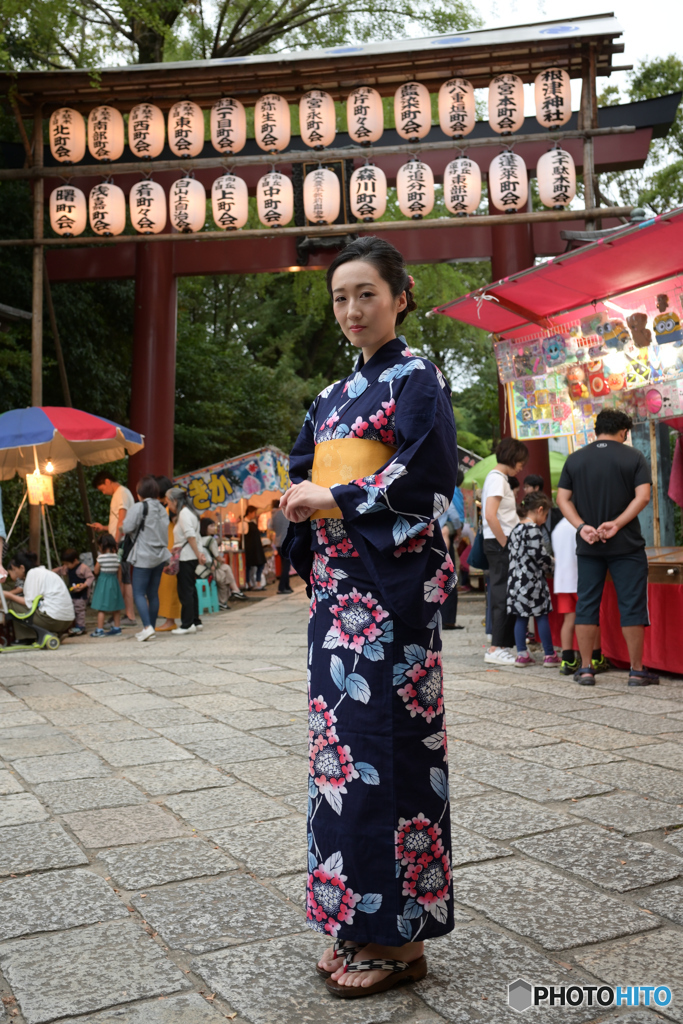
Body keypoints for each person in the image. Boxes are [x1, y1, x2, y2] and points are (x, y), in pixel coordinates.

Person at [282, 237, 457, 996]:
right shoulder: (329, 396)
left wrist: (339, 497)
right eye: (340, 299)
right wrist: (301, 495)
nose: (352, 311)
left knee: (390, 750)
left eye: (365, 295)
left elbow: (427, 470)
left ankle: (401, 945)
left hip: (389, 596)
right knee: (340, 757)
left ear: (400, 295)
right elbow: (298, 465)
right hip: (338, 593)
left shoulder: (418, 377)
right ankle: (354, 922)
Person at [557, 409, 655, 686]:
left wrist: (580, 526)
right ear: (624, 431)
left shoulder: (575, 459)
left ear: (596, 430)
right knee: (632, 604)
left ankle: (586, 669)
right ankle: (636, 671)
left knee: (587, 604)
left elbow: (563, 499)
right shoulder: (634, 456)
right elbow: (643, 496)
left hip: (588, 544)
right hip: (627, 545)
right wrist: (617, 523)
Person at [481, 437, 529, 665]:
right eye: (521, 461)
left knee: (503, 593)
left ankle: (498, 645)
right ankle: (495, 647)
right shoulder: (498, 480)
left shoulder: (496, 478)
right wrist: (506, 543)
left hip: (499, 541)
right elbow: (491, 514)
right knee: (502, 594)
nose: (522, 466)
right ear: (512, 457)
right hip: (500, 542)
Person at [506, 492, 561, 668]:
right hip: (532, 581)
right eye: (545, 515)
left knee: (521, 617)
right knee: (541, 614)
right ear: (539, 510)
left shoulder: (516, 529)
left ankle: (521, 654)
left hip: (515, 580)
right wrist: (553, 564)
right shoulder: (533, 530)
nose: (545, 519)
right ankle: (549, 654)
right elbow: (539, 556)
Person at [551, 515, 608, 676]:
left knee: (568, 620)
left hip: (562, 581)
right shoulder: (582, 526)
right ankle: (596, 657)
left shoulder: (558, 528)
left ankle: (567, 659)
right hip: (580, 579)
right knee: (591, 617)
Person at [122, 475, 171, 642]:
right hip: (159, 556)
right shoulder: (162, 509)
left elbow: (127, 527)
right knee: (153, 594)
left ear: (139, 493)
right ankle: (150, 627)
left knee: (138, 593)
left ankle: (147, 627)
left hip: (143, 556)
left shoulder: (139, 507)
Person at [89, 470, 136, 625]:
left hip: (121, 541)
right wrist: (103, 527)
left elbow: (122, 520)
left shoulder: (121, 493)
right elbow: (118, 522)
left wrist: (115, 543)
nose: (103, 493)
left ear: (107, 481)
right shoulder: (121, 493)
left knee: (123, 579)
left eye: (102, 489)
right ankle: (124, 614)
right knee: (122, 578)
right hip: (120, 540)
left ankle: (128, 615)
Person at [4, 551, 74, 643]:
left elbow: (28, 603)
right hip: (67, 621)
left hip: (54, 620)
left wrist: (8, 595)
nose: (15, 573)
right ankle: (51, 633)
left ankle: (26, 638)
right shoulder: (43, 572)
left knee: (11, 604)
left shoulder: (32, 574)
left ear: (22, 568)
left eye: (14, 569)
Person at [166, 487, 206, 635]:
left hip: (185, 557)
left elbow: (190, 536)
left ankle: (187, 624)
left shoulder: (183, 514)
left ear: (175, 501)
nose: (168, 506)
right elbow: (195, 536)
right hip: (190, 556)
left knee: (185, 591)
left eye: (168, 502)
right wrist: (199, 554)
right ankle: (195, 621)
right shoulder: (190, 513)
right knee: (191, 589)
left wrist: (198, 553)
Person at [154, 475, 182, 632]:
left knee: (169, 585)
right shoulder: (172, 509)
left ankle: (170, 620)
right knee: (170, 586)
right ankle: (171, 619)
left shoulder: (171, 510)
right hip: (172, 549)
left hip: (172, 550)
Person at [197, 517, 245, 608]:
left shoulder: (199, 539)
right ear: (204, 527)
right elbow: (217, 557)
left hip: (201, 569)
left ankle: (232, 594)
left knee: (225, 570)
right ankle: (228, 596)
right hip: (208, 570)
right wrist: (221, 560)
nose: (213, 528)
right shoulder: (211, 540)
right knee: (224, 574)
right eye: (211, 526)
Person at [53, 548, 94, 636]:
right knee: (73, 609)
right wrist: (51, 572)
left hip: (81, 594)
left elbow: (91, 577)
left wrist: (84, 585)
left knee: (79, 609)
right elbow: (60, 570)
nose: (66, 566)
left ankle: (81, 626)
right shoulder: (68, 568)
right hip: (73, 593)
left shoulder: (83, 568)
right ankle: (74, 625)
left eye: (67, 564)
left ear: (75, 560)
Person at [90, 533, 125, 637]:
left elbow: (96, 571)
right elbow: (120, 571)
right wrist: (118, 582)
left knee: (101, 607)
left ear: (102, 545)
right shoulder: (116, 557)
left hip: (103, 583)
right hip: (114, 582)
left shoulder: (101, 558)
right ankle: (117, 628)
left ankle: (100, 630)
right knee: (116, 607)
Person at [270, 501, 293, 594]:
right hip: (287, 542)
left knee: (284, 565)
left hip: (278, 542)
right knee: (286, 566)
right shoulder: (288, 513)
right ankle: (282, 587)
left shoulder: (274, 515)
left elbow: (272, 528)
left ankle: (287, 586)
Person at [244, 506, 266, 590]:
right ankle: (249, 583)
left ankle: (258, 582)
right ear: (249, 512)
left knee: (261, 564)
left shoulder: (253, 522)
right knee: (248, 566)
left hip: (257, 547)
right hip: (250, 548)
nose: (254, 514)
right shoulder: (244, 523)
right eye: (254, 512)